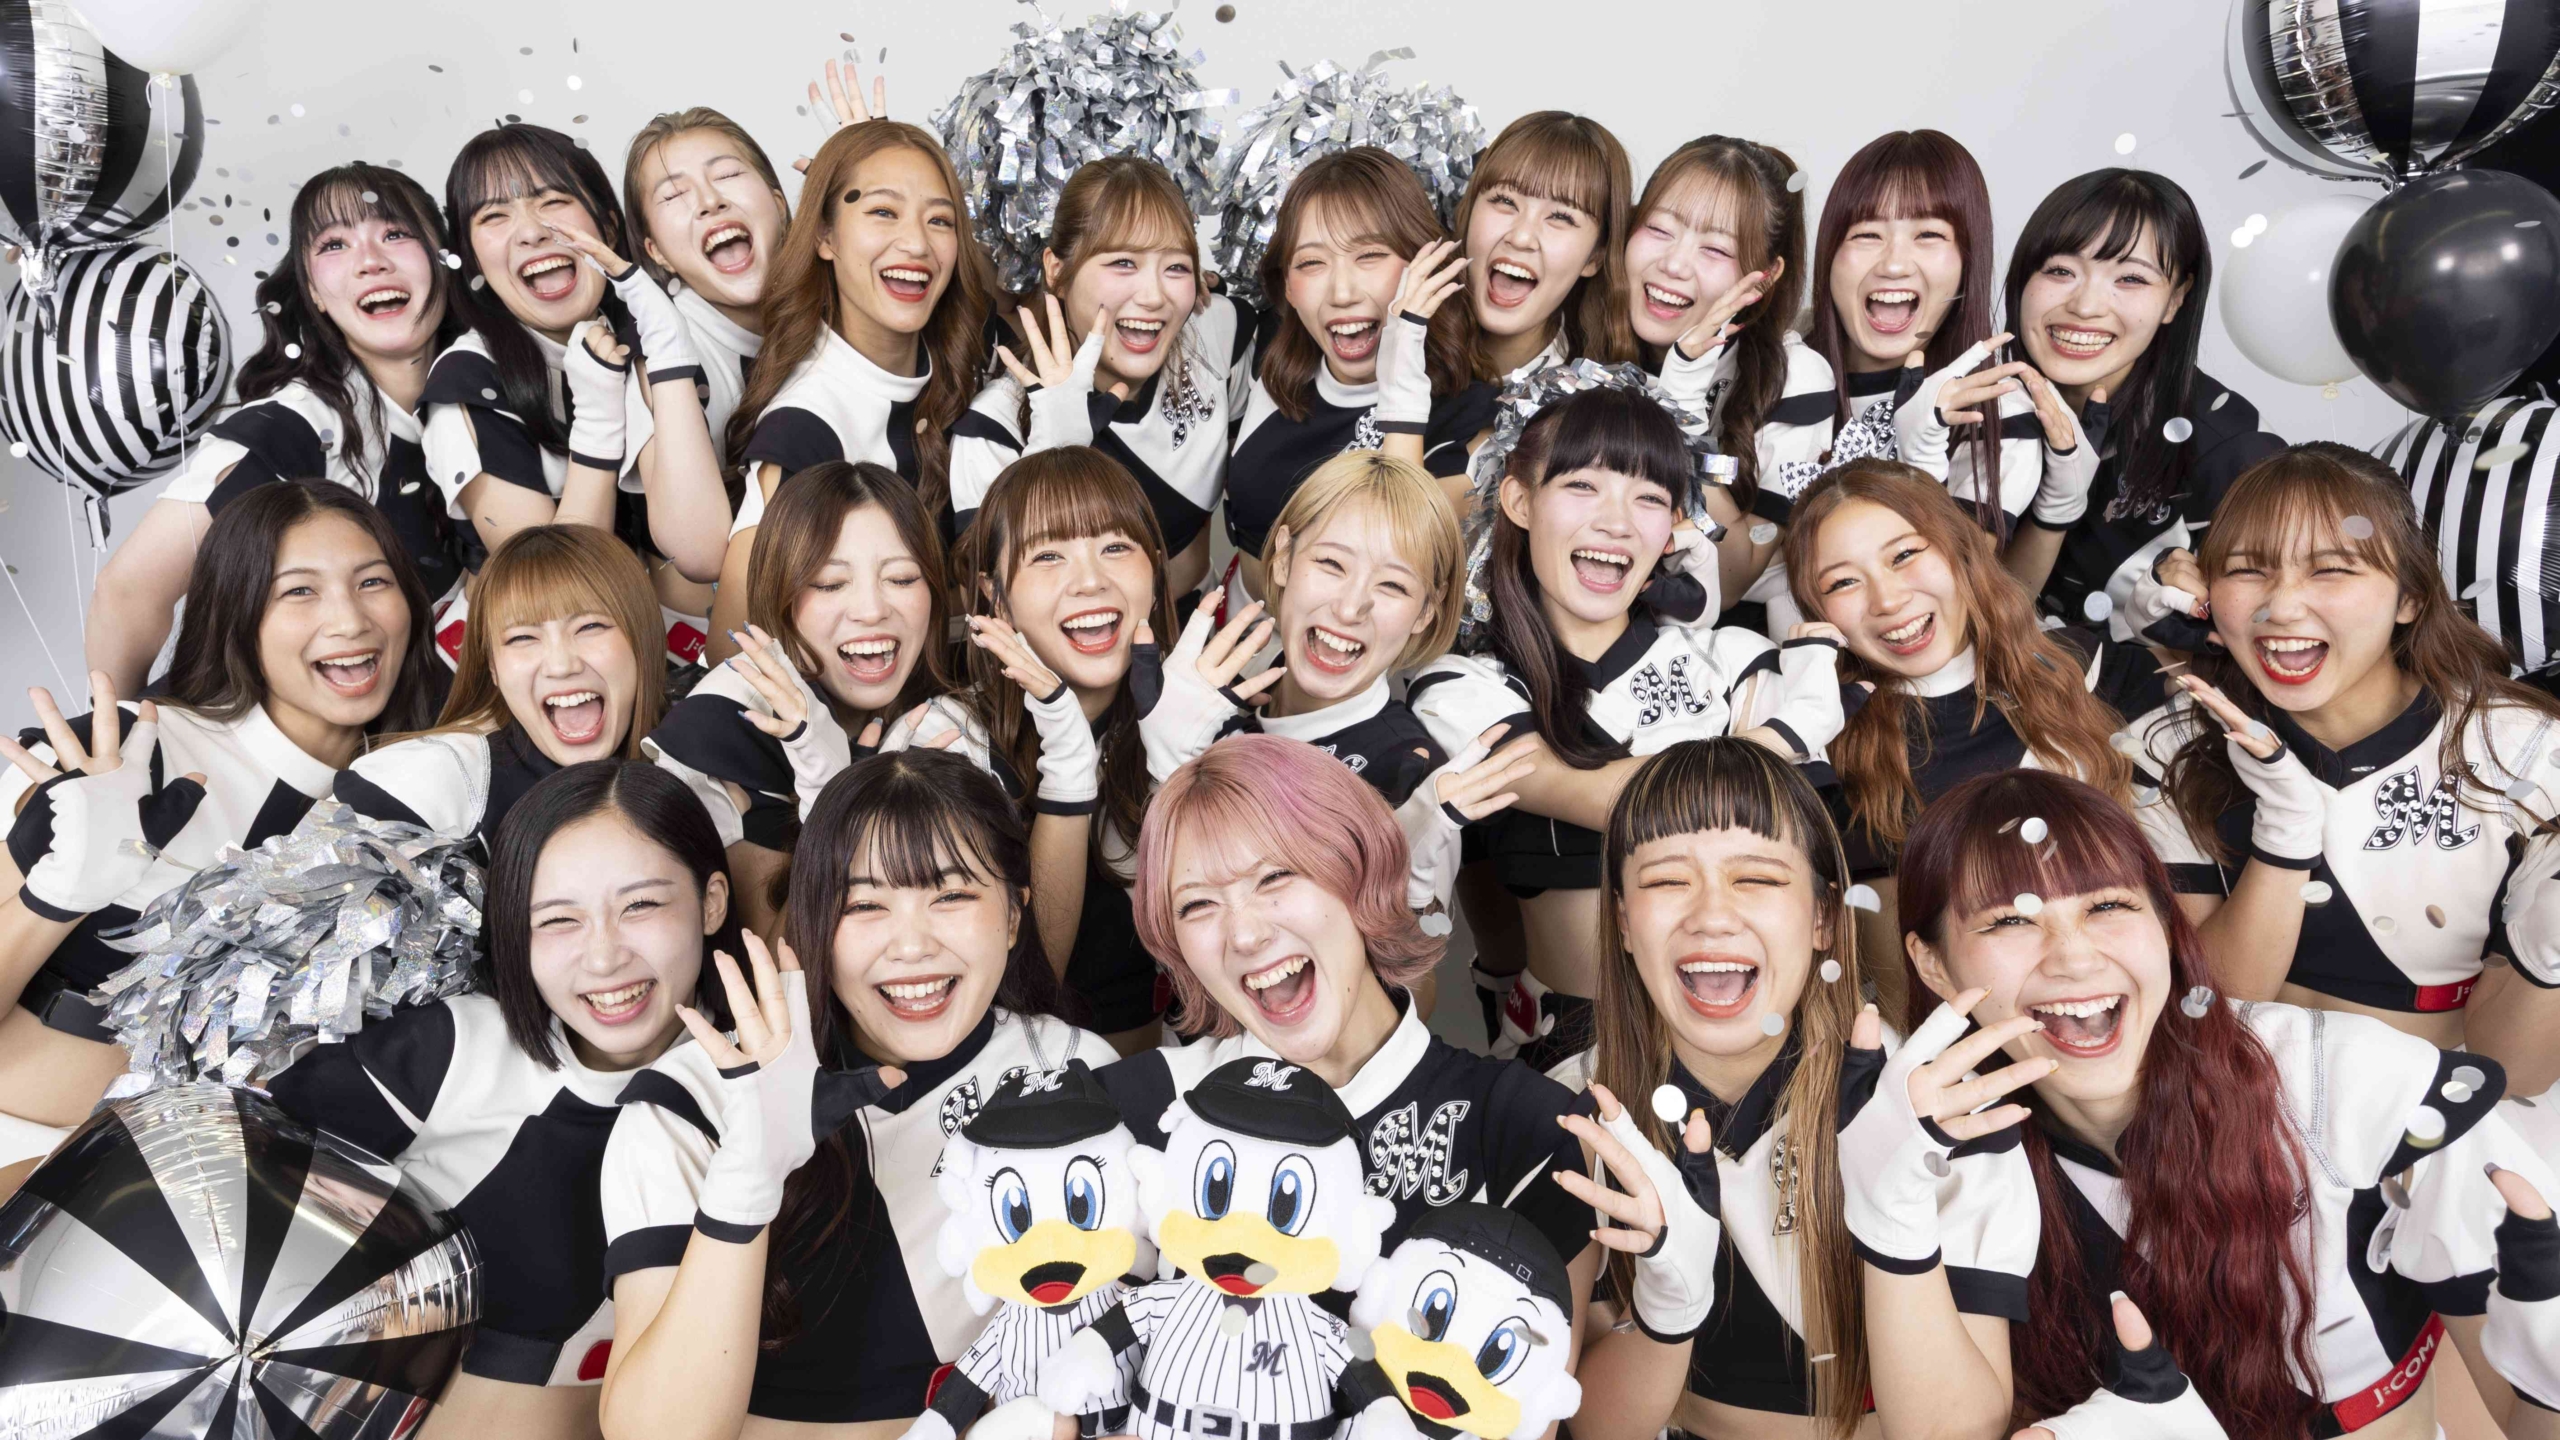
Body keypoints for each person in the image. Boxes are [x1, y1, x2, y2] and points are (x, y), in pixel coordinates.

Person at [1900, 767, 2560, 1438]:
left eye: (2107, 907)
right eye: (2011, 920)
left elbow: (2527, 1420)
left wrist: (2549, 1367)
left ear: (2165, 923)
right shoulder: (1934, 1161)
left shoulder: (2347, 1084)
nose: (2073, 958)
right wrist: (1888, 1222)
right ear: (1934, 965)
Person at [596, 748, 1112, 1436]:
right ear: (814, 921)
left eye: (951, 896)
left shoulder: (1074, 1072)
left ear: (1014, 916)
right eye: (865, 904)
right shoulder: (690, 1105)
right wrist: (746, 1183)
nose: (911, 946)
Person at [1551, 738, 2043, 1440]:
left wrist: (1894, 1219)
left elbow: (1957, 1434)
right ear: (1625, 921)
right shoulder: (1568, 1114)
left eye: (1756, 878)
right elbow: (1592, 1428)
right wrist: (1665, 1309)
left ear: (1822, 918)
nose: (1712, 915)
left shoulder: (1940, 1106)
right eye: (1666, 881)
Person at [267, 759, 737, 1436]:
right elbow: (230, 1185)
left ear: (712, 901)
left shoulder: (759, 1105)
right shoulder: (455, 1050)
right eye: (558, 920)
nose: (603, 958)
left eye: (640, 906)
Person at [0, 482, 437, 1182]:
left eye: (372, 582)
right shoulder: (121, 754)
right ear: (238, 613)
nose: (350, 618)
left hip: (195, 1192)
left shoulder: (424, 805)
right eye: (300, 591)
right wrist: (53, 895)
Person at [1409, 386, 1847, 1071]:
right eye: (1582, 486)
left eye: (1648, 498)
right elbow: (1593, 792)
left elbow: (1803, 841)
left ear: (1672, 525)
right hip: (1575, 1061)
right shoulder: (1462, 688)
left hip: (1764, 1042)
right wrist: (1773, 744)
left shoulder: (1730, 657)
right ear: (1519, 501)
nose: (1615, 522)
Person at [1111, 732, 1601, 1342]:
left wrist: (1668, 1305)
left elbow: (1536, 1394)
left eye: (1274, 877)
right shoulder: (1126, 1117)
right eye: (1197, 906)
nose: (1244, 935)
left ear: (1358, 871)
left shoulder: (1524, 1129)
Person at [2127, 445, 2560, 1096]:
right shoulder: (2172, 745)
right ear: (2205, 595)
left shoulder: (2521, 752)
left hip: (2445, 1121)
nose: (2283, 607)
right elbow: (2207, 1005)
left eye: (2331, 570)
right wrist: (2286, 830)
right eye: (2246, 570)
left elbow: (2518, 1073)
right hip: (2233, 1106)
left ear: (2410, 596)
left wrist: (2547, 941)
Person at [1787, 459, 2158, 1015]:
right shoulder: (1834, 758)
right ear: (1815, 612)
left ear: (1959, 548)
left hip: (2135, 1011)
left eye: (1904, 555)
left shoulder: (2088, 668)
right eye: (1843, 582)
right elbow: (1905, 998)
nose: (1887, 600)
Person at [87, 163, 464, 694]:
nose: (370, 262)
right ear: (313, 291)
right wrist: (121, 730)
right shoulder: (295, 426)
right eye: (335, 245)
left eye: (396, 234)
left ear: (444, 260)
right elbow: (127, 589)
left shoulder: (484, 396)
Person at [883, 447, 1177, 1053]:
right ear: (996, 596)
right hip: (1001, 1084)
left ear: (1154, 573)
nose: (1090, 580)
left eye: (1116, 547)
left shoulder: (1194, 717)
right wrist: (1067, 758)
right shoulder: (942, 741)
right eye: (1048, 555)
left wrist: (1184, 766)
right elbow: (1029, 988)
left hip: (1171, 1080)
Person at [426, 123, 733, 669]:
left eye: (553, 201)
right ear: (472, 258)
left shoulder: (643, 332)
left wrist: (664, 351)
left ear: (608, 225)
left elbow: (700, 549)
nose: (531, 231)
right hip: (522, 670)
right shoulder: (465, 379)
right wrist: (597, 421)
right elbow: (557, 596)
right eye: (494, 216)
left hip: (644, 649)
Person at [709, 119, 999, 657]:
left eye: (940, 220)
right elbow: (732, 652)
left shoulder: (970, 354)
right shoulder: (804, 428)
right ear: (824, 236)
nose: (916, 243)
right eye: (883, 212)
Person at [650, 461, 951, 936]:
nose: (872, 610)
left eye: (901, 578)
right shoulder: (725, 725)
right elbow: (778, 964)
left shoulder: (941, 712)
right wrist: (835, 804)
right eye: (830, 583)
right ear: (780, 596)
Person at [1994, 169, 2283, 625]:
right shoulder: (1975, 411)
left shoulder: (2228, 446)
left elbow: (2281, 624)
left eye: (2130, 278)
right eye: (2061, 271)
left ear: (2176, 299)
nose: (2085, 306)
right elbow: (1974, 618)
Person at [949, 155, 1240, 600]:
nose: (1154, 296)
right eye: (1123, 262)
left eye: (1176, 267)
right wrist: (1053, 456)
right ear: (1057, 270)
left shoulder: (1217, 335)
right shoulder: (994, 428)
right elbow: (992, 599)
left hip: (1202, 635)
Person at [1227, 146, 1499, 559]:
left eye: (1369, 255)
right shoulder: (1266, 361)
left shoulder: (1472, 421)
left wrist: (1402, 371)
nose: (1342, 293)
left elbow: (1400, 552)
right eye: (1311, 263)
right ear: (1287, 287)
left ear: (1423, 264)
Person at [335, 524, 666, 853]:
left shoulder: (686, 756)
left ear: (644, 640)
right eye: (522, 637)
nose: (561, 665)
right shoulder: (428, 782)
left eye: (590, 626)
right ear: (492, 667)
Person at [1626, 135, 1835, 630]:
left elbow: (1733, 578)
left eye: (1715, 249)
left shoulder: (1794, 377)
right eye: (1659, 228)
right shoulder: (1585, 346)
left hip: (1727, 642)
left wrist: (1683, 415)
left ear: (1766, 275)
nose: (1674, 265)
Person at [1802, 130, 2032, 524]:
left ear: (1968, 259)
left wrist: (1922, 465)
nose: (1894, 265)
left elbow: (1965, 564)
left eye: (1928, 235)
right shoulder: (1778, 375)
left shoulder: (1997, 410)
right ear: (1829, 253)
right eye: (1867, 234)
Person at [1453, 111, 1637, 380]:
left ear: (1595, 257)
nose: (1521, 238)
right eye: (1505, 201)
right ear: (1468, 211)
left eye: (1561, 217)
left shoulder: (1596, 399)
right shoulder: (1401, 342)